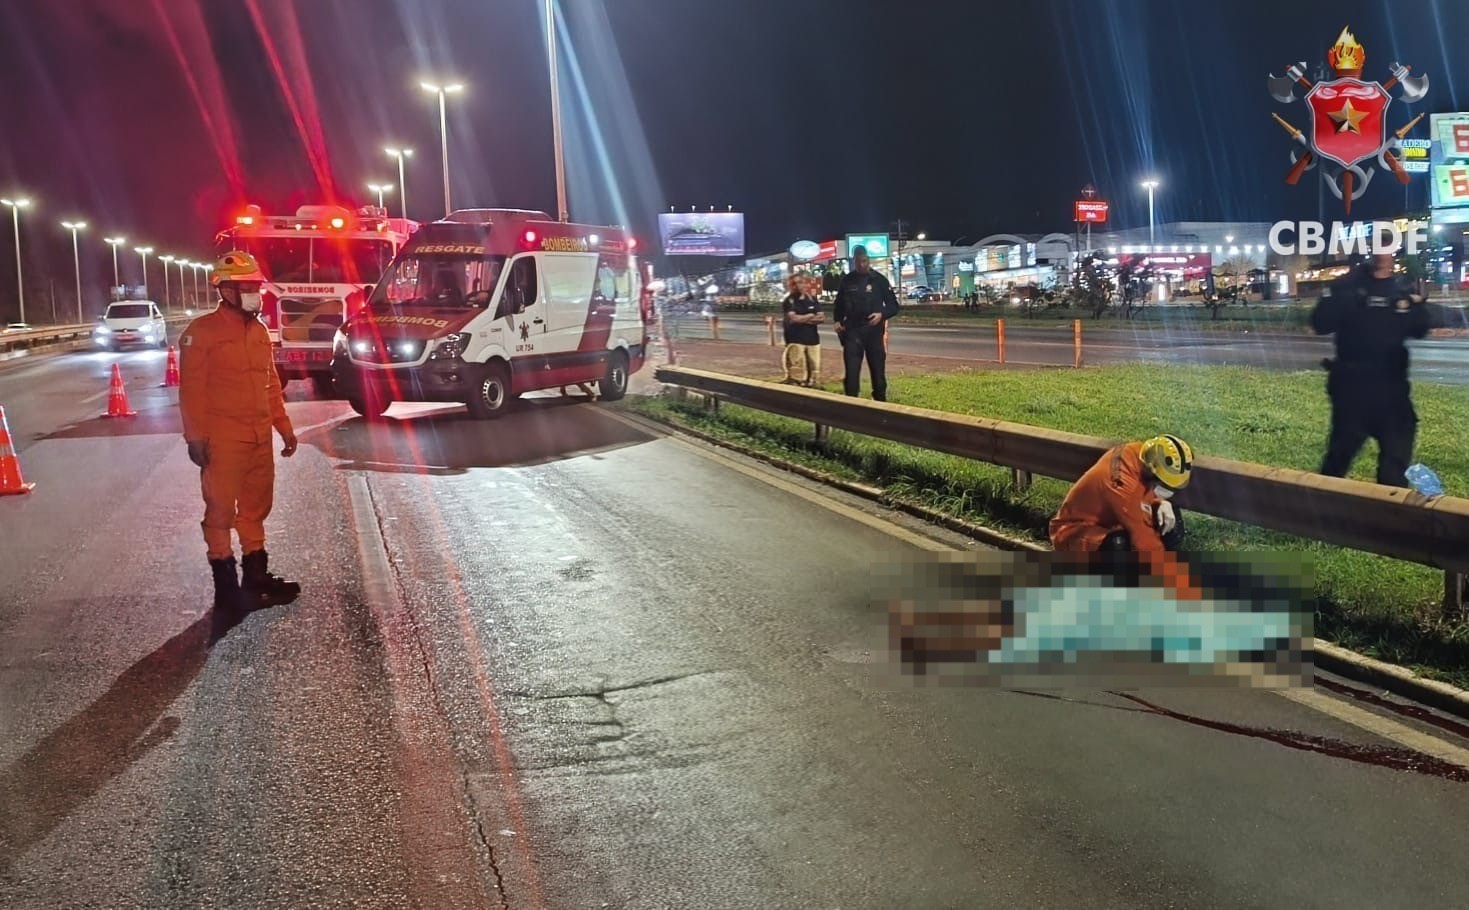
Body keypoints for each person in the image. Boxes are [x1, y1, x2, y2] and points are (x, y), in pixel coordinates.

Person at [179, 251, 301, 611]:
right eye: (246, 287)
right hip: (222, 440)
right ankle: (226, 587)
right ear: (226, 291)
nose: (254, 293)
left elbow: (270, 384)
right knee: (219, 511)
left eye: (256, 287)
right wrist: (195, 437)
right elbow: (192, 390)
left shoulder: (260, 331)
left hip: (259, 438)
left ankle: (256, 579)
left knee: (255, 509)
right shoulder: (201, 333)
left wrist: (284, 427)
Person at [1311, 252, 1430, 487]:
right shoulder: (1348, 288)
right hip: (1353, 390)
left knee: (1394, 470)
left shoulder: (1401, 289)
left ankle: (1388, 518)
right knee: (1337, 462)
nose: (1381, 253)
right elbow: (1320, 322)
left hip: (1392, 391)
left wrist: (1412, 305)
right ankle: (1321, 514)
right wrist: (1345, 294)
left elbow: (1420, 328)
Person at [1048, 434, 1201, 600]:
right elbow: (1146, 544)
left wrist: (1161, 502)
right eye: (1163, 485)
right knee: (1118, 546)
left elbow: (1142, 492)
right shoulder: (1122, 485)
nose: (1167, 490)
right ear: (1152, 469)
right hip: (1074, 532)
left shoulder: (1140, 453)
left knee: (1171, 522)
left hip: (1112, 520)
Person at [833, 245, 900, 400]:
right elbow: (839, 305)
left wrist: (881, 314)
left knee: (878, 374)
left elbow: (894, 306)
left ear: (868, 260)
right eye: (858, 262)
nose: (861, 265)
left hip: (873, 331)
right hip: (852, 331)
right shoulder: (847, 281)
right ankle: (851, 408)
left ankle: (880, 406)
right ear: (854, 261)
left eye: (864, 261)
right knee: (851, 374)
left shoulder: (879, 280)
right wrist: (837, 320)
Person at [781, 274, 824, 386]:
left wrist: (803, 318)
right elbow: (794, 319)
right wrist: (810, 316)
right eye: (793, 284)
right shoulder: (789, 301)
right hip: (795, 340)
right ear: (790, 286)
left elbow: (821, 318)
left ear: (805, 284)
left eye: (800, 282)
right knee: (797, 372)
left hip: (813, 340)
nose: (797, 286)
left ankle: (813, 388)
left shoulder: (812, 299)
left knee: (814, 369)